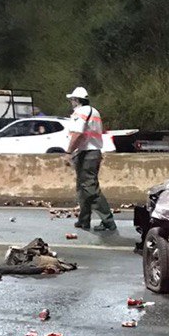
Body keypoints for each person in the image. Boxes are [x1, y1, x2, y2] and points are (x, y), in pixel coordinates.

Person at [65, 86, 116, 233]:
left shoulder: (80, 112)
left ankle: (108, 220)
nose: (71, 102)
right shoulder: (94, 111)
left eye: (72, 100)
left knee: (89, 188)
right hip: (93, 152)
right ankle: (84, 220)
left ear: (76, 100)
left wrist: (68, 152)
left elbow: (77, 133)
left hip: (86, 154)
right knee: (83, 188)